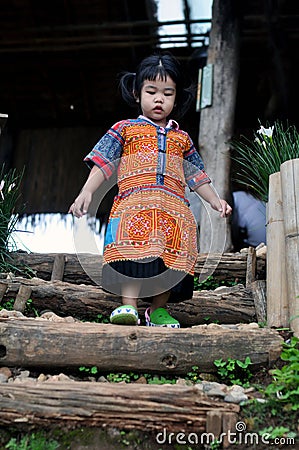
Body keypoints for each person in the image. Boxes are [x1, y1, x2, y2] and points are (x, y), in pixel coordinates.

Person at [69, 52, 232, 328]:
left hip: (174, 212)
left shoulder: (182, 139)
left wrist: (215, 201)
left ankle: (157, 309)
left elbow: (197, 176)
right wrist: (86, 192)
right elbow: (103, 163)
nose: (159, 99)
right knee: (134, 255)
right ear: (137, 93)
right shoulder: (124, 129)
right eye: (152, 91)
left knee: (170, 260)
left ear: (176, 98)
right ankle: (129, 306)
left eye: (168, 93)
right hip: (134, 208)